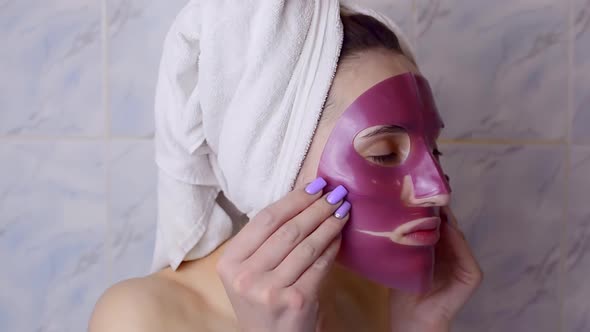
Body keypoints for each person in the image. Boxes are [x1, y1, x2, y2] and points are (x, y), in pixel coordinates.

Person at [89, 6, 482, 332]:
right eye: (382, 153)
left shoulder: (388, 300)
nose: (438, 189)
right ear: (269, 161)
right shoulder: (141, 317)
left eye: (434, 151)